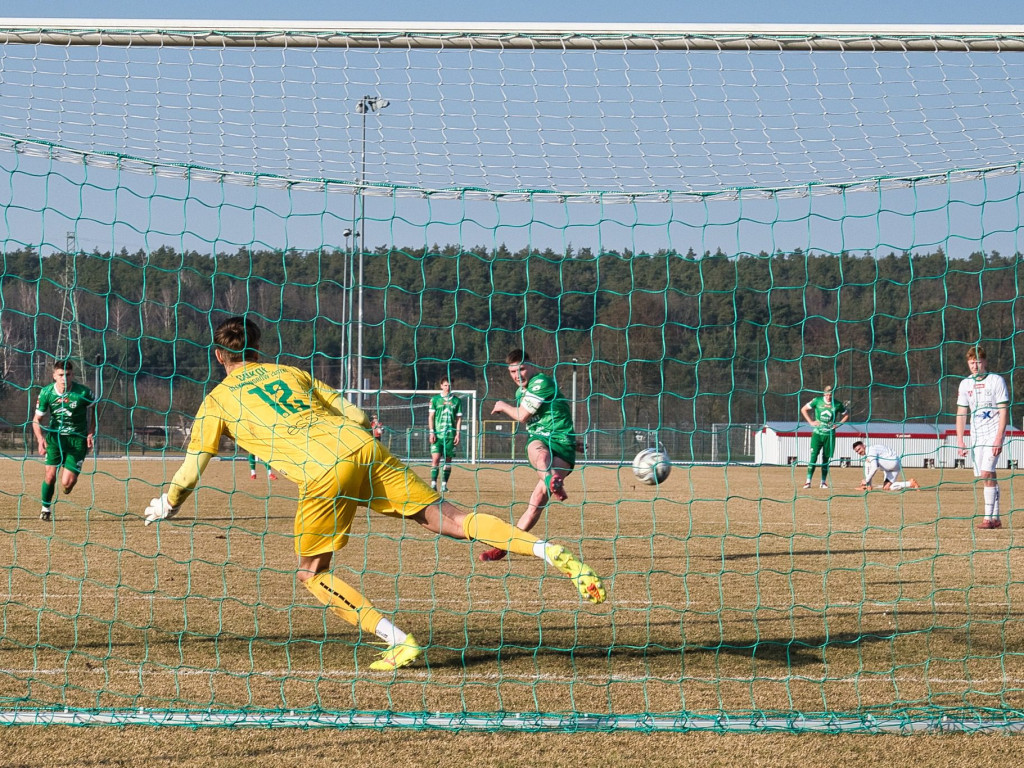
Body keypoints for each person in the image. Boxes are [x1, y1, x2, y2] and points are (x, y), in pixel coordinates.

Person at [143, 317, 605, 672]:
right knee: (454, 519)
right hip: (363, 449)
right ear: (256, 348)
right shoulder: (289, 373)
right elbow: (358, 416)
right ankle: (548, 551)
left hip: (322, 472)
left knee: (311, 574)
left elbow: (193, 466)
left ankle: (398, 641)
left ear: (219, 356)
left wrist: (168, 503)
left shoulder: (217, 401)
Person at [481, 349, 576, 563]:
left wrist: (503, 406)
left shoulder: (541, 382)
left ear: (532, 366)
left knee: (536, 502)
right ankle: (504, 546)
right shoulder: (520, 393)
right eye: (512, 371)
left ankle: (551, 482)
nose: (517, 375)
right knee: (541, 457)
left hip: (562, 444)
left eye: (521, 369)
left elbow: (523, 415)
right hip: (541, 440)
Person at [32, 359, 96, 521]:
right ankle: (45, 508)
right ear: (54, 376)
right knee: (50, 476)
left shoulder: (83, 393)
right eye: (61, 375)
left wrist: (91, 432)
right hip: (55, 440)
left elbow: (95, 408)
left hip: (77, 440)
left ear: (72, 375)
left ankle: (68, 486)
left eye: (68, 375)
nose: (64, 378)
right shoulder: (46, 393)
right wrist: (40, 439)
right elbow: (36, 420)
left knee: (67, 483)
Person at [956, 345, 1009, 530]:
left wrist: (999, 437)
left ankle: (987, 519)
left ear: (984, 362)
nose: (975, 366)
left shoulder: (996, 381)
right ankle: (996, 517)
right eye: (971, 363)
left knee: (986, 472)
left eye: (978, 362)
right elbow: (961, 413)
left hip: (993, 434)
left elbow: (1004, 411)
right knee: (987, 474)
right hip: (976, 437)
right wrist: (960, 440)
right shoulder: (965, 384)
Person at [800, 385, 849, 490]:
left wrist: (838, 424)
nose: (828, 397)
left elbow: (846, 415)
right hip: (817, 434)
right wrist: (811, 422)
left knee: (826, 459)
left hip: (829, 435)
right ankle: (808, 481)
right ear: (824, 394)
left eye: (830, 395)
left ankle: (823, 482)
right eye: (827, 394)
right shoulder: (817, 401)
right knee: (813, 457)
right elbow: (803, 409)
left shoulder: (837, 404)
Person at [428, 378, 463, 493]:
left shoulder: (457, 401)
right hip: (437, 435)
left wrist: (458, 434)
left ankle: (444, 485)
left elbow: (459, 419)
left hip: (450, 436)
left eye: (449, 385)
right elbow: (431, 417)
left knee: (448, 461)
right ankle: (433, 484)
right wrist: (432, 432)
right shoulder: (435, 400)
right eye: (445, 385)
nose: (448, 388)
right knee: (435, 459)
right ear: (441, 386)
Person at [852, 441, 920, 491]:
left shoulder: (870, 450)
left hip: (890, 463)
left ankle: (867, 485)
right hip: (895, 465)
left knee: (868, 461)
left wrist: (866, 480)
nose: (859, 452)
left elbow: (874, 467)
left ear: (863, 445)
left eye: (859, 449)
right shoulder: (874, 448)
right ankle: (910, 483)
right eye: (857, 451)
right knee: (887, 488)